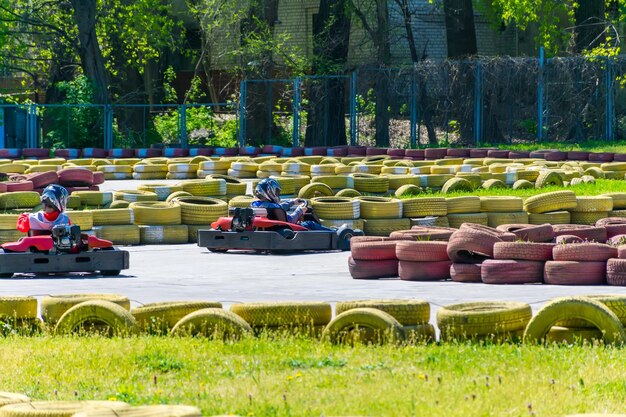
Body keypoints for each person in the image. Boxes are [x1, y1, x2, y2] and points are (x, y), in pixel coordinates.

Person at [251, 178, 333, 231]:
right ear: (269, 191)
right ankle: (334, 232)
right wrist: (299, 210)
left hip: (271, 228)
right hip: (286, 228)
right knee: (309, 223)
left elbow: (280, 208)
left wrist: (292, 202)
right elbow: (290, 221)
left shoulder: (255, 205)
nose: (277, 194)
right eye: (276, 191)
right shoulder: (275, 208)